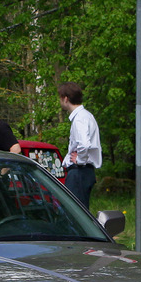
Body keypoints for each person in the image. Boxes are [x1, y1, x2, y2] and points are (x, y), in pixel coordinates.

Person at [58, 81, 102, 210]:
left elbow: (84, 143)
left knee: (74, 212)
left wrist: (80, 160)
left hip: (79, 172)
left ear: (66, 99)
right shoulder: (87, 116)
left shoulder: (79, 119)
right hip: (85, 172)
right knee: (81, 211)